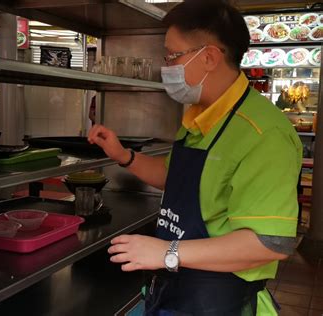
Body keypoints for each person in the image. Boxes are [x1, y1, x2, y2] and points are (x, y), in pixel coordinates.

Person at [87, 1, 302, 315]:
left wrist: (167, 252)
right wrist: (124, 156)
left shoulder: (264, 133)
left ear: (210, 57)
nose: (167, 66)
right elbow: (179, 179)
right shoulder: (199, 116)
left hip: (223, 301)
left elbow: (269, 243)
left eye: (173, 55)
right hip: (177, 289)